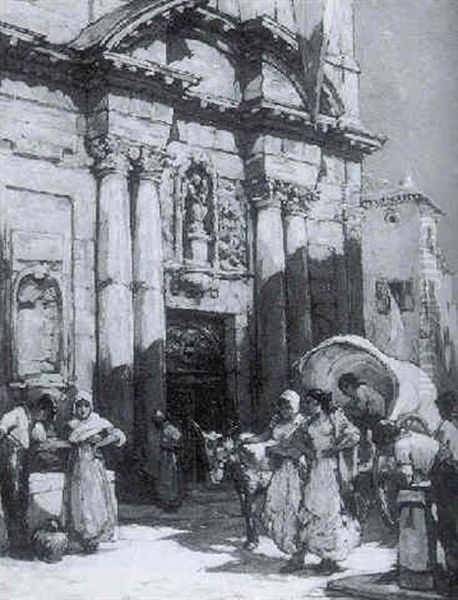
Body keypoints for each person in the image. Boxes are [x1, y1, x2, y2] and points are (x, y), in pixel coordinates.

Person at [270, 388, 361, 574]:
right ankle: (307, 556)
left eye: (312, 403)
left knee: (329, 510)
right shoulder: (308, 422)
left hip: (331, 468)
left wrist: (335, 448)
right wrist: (309, 452)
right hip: (314, 468)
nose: (309, 406)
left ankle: (329, 558)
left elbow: (354, 435)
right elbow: (296, 440)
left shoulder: (334, 417)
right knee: (311, 509)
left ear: (321, 403)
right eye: (307, 403)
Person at [373, 419, 458, 594]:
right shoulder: (409, 436)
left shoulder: (400, 446)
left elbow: (407, 478)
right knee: (447, 523)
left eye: (382, 446)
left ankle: (452, 576)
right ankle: (449, 570)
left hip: (443, 473)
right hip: (447, 468)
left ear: (386, 440)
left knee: (446, 526)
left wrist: (390, 476)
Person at [63, 391, 126, 553]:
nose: (83, 409)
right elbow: (69, 441)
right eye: (79, 406)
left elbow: (118, 436)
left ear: (90, 407)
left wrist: (99, 444)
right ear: (75, 408)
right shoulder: (73, 425)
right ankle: (82, 535)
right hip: (77, 464)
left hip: (93, 464)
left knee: (94, 498)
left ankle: (94, 536)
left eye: (86, 406)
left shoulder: (98, 422)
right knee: (78, 498)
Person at [0, 393, 56, 557]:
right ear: (40, 408)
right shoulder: (18, 413)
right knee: (13, 499)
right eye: (45, 413)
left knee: (21, 501)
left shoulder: (34, 422)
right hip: (10, 457)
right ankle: (16, 545)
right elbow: (2, 427)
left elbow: (40, 438)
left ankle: (20, 543)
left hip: (21, 460)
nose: (44, 417)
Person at [338, 372, 386, 465]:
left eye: (345, 388)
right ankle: (364, 454)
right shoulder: (358, 392)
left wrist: (349, 411)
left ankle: (365, 456)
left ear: (351, 385)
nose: (344, 392)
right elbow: (353, 404)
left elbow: (362, 409)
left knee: (360, 429)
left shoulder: (361, 390)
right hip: (371, 416)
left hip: (375, 416)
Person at [152, 410, 184, 511]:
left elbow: (179, 439)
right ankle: (166, 500)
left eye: (157, 419)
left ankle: (171, 500)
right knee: (163, 477)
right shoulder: (162, 428)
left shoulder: (169, 428)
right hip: (164, 456)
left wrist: (170, 446)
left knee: (170, 477)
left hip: (169, 456)